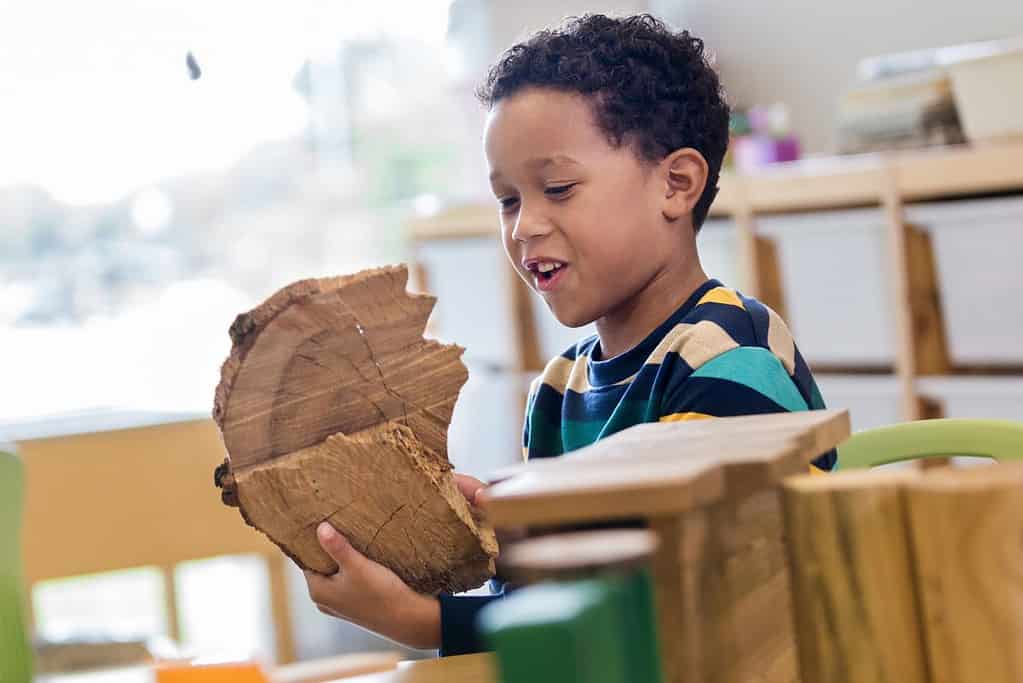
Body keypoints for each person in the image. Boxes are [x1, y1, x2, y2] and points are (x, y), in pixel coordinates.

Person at [303, 12, 835, 657]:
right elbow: (550, 598)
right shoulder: (559, 389)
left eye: (557, 188)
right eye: (508, 200)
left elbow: (672, 611)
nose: (524, 226)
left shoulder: (725, 359)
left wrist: (426, 623)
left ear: (676, 184)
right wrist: (505, 535)